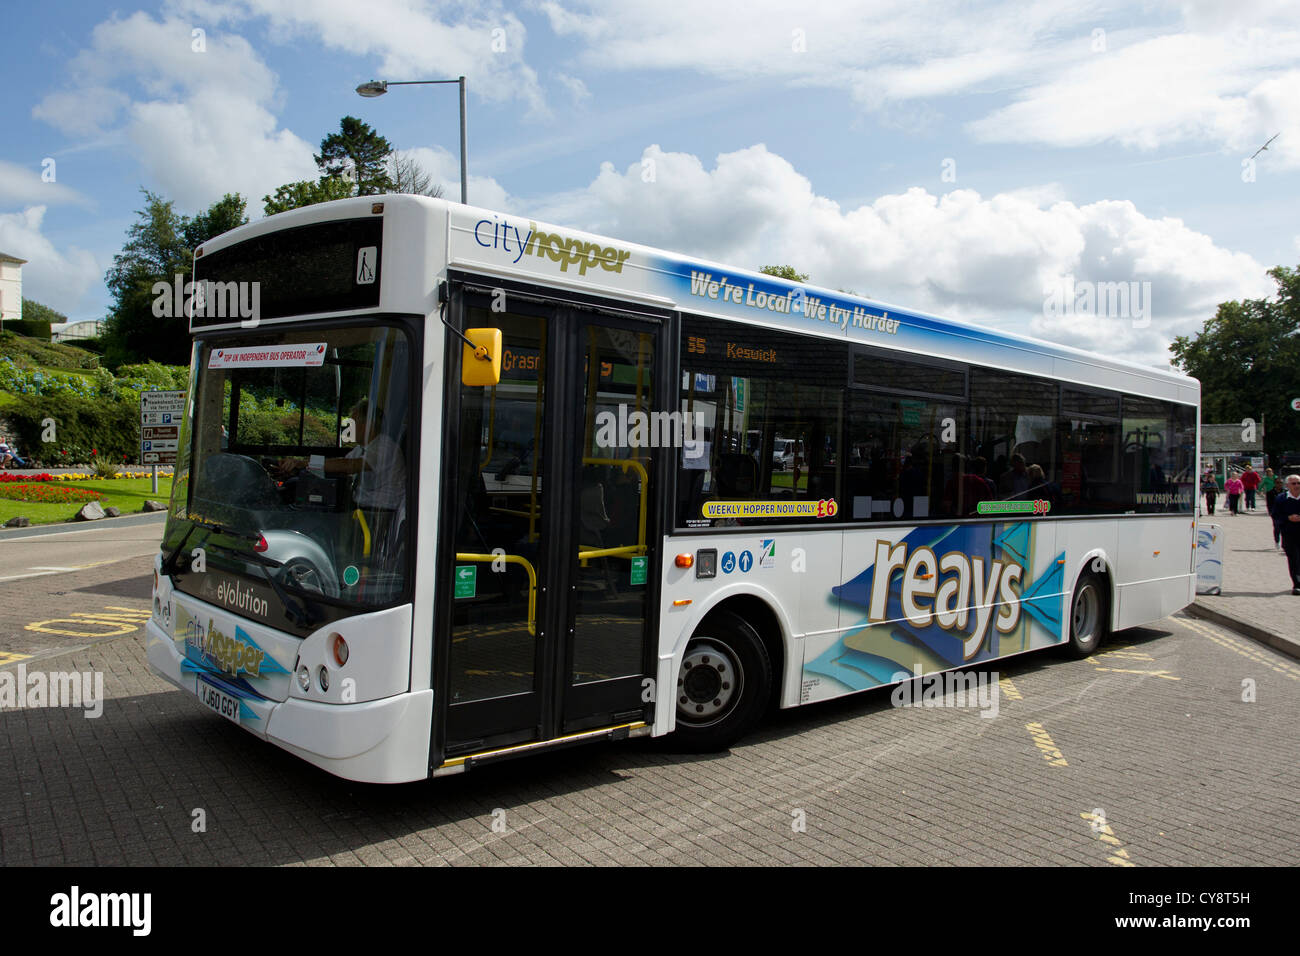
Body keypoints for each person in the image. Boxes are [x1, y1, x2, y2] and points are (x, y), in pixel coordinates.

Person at [1271, 473, 1300, 595]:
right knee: (1293, 559)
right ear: (1287, 485)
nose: (1297, 486)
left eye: (1299, 483)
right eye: (1294, 483)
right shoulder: (1281, 499)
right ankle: (1297, 584)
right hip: (1289, 534)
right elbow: (1275, 515)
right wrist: (1288, 518)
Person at [1262, 468, 1280, 548]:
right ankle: (1277, 541)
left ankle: (1284, 543)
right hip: (1275, 512)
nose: (1279, 484)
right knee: (1276, 527)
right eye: (1277, 483)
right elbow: (1269, 503)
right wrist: (1270, 511)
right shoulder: (1270, 493)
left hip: (1284, 513)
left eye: (1280, 483)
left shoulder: (1285, 492)